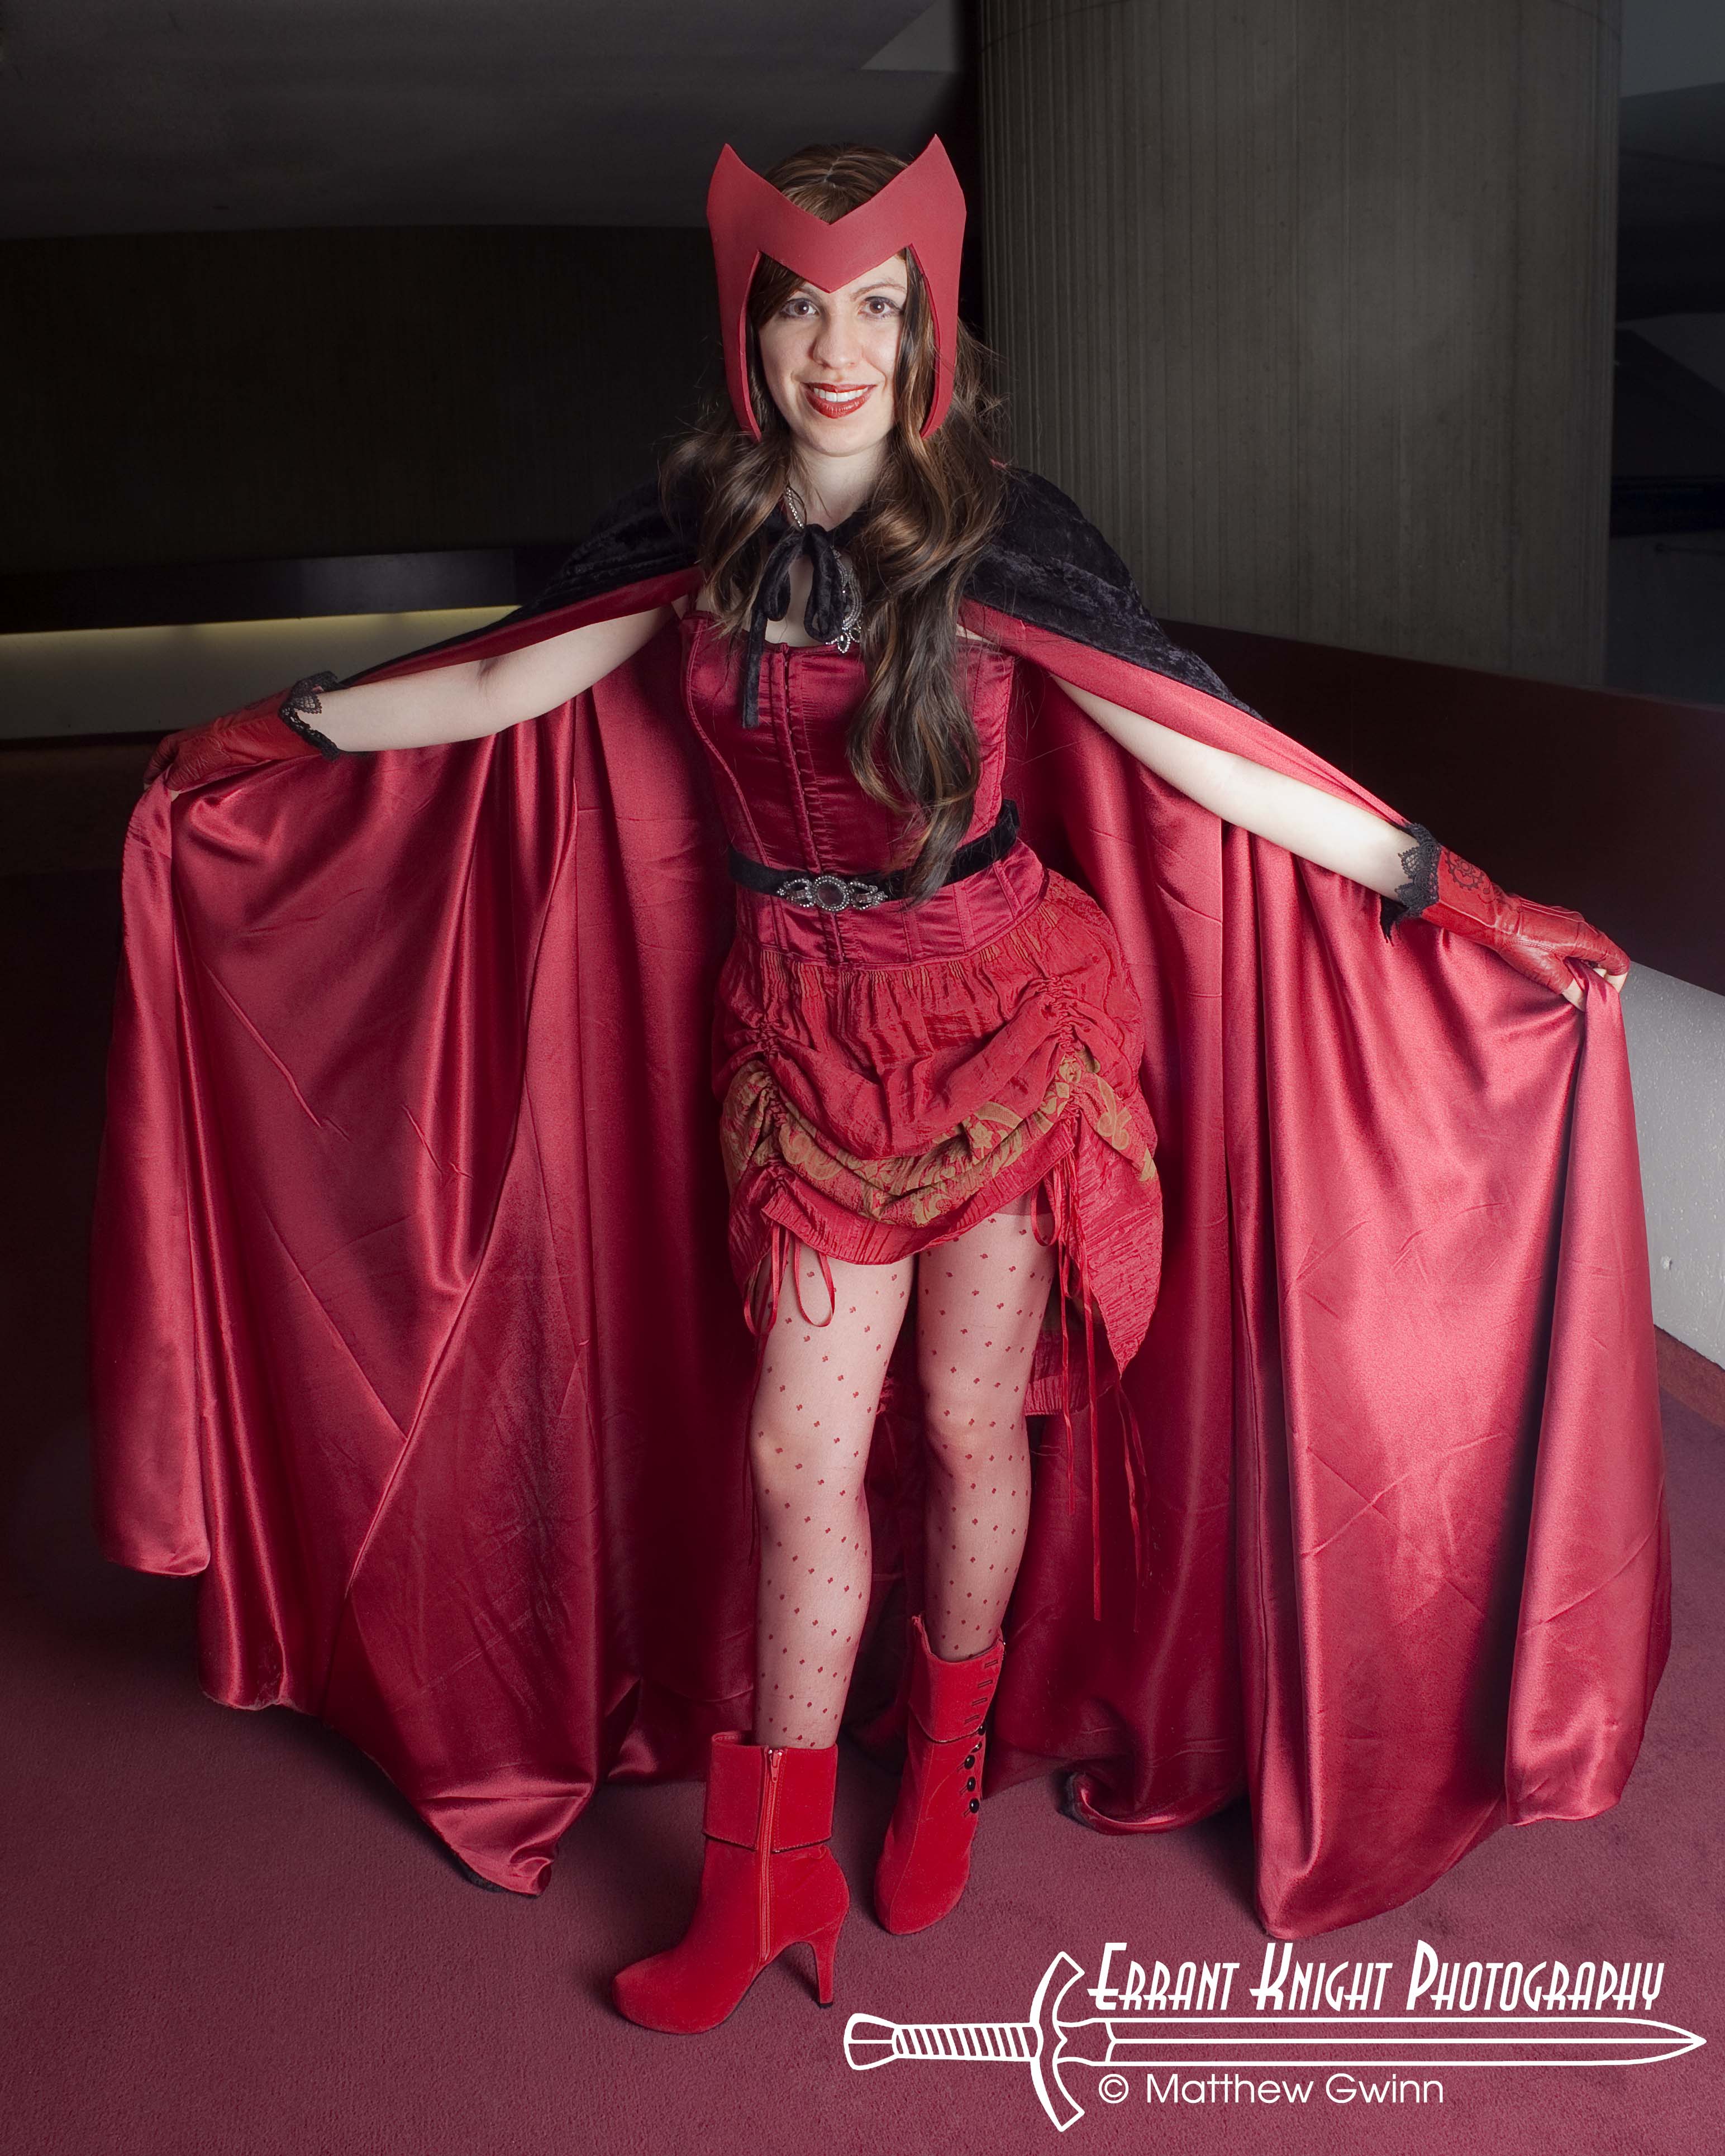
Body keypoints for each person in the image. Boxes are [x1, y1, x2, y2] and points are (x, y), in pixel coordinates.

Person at [102, 140, 1665, 2035]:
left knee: (969, 1420)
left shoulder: (1003, 536)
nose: (836, 349)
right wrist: (282, 728)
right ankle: (765, 1875)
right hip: (799, 1035)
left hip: (1001, 1019)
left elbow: (1209, 747)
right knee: (796, 1452)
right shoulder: (693, 529)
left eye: (875, 308)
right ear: (748, 328)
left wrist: (1456, 890)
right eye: (800, 309)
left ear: (926, 330)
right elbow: (506, 687)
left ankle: (944, 1755)